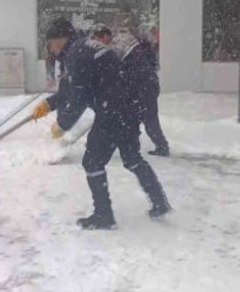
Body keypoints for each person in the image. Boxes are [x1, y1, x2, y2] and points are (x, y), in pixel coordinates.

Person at [31, 17, 171, 230]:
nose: (50, 50)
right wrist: (48, 104)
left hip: (112, 111)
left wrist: (62, 125)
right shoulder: (84, 48)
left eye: (50, 44)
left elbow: (78, 98)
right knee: (132, 158)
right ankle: (159, 201)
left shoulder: (76, 55)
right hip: (128, 107)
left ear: (60, 40)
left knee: (92, 162)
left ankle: (104, 215)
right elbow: (73, 88)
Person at [106, 26, 170, 157]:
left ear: (105, 36)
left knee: (141, 118)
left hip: (142, 86)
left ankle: (159, 146)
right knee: (146, 117)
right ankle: (160, 145)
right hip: (148, 83)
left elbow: (116, 67)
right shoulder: (128, 42)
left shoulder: (117, 45)